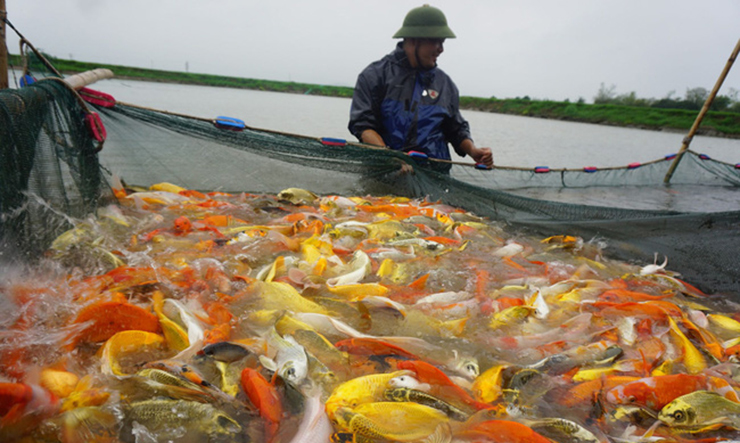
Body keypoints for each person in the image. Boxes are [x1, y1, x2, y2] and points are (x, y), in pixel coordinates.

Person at [348, 4, 493, 172]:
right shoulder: (374, 76)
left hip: (434, 178)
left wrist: (473, 151)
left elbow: (456, 129)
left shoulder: (446, 84)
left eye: (443, 42)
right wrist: (391, 159)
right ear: (413, 40)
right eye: (435, 41)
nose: (441, 49)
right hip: (383, 174)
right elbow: (363, 125)